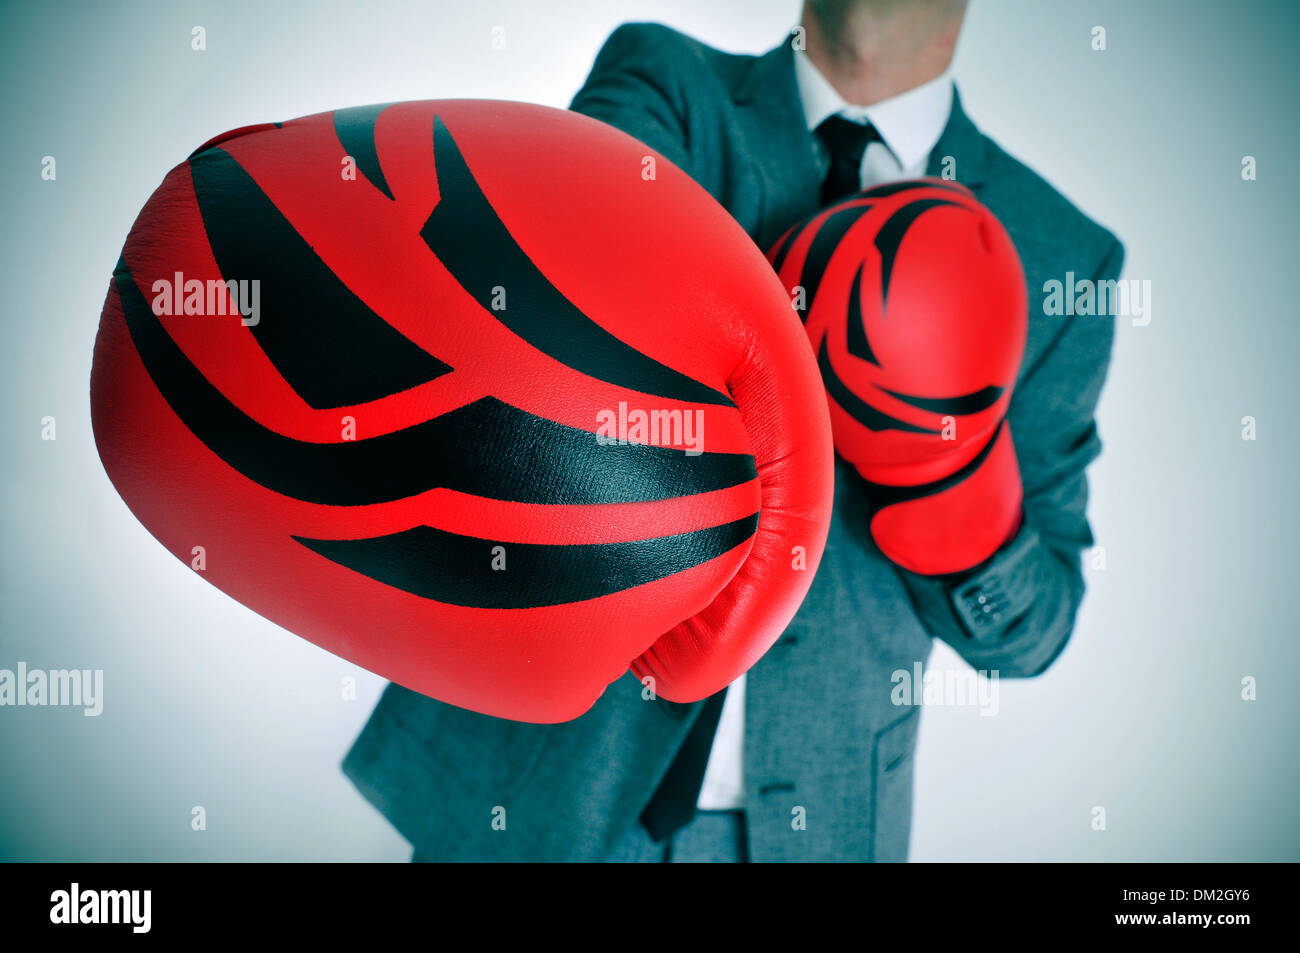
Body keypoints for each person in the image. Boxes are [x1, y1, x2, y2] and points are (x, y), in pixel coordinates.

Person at [343, 0, 1123, 862]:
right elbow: (542, 329)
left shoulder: (1064, 254)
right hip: (540, 790)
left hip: (814, 828)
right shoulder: (666, 85)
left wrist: (958, 477)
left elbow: (1037, 632)